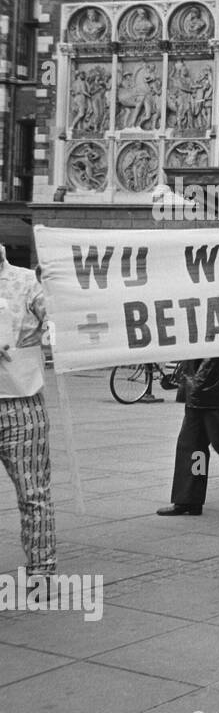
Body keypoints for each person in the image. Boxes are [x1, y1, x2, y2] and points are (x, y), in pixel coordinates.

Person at [0, 243, 55, 583]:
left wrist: (53, 336)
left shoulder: (25, 282)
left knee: (34, 494)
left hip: (22, 403)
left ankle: (42, 572)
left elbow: (57, 321)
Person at [157, 357, 219, 516]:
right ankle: (189, 498)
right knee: (193, 444)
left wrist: (196, 383)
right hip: (200, 383)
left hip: (215, 383)